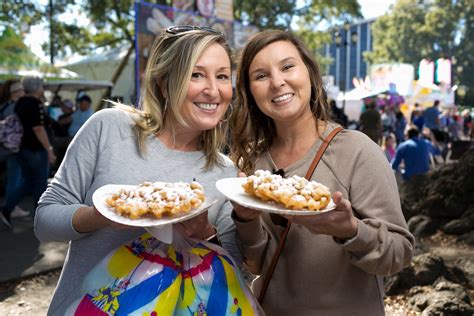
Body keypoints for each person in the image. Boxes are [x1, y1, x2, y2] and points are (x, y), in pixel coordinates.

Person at [35, 26, 240, 315]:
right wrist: (101, 216)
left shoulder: (224, 171)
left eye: (222, 76)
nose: (213, 89)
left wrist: (205, 233)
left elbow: (234, 267)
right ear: (164, 81)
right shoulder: (108, 127)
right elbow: (44, 221)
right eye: (196, 74)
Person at [229, 30, 414, 315]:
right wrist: (246, 218)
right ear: (250, 91)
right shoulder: (253, 164)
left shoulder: (357, 151)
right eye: (261, 75)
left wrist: (351, 231)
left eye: (288, 66)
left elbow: (398, 255)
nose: (278, 82)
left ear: (310, 74)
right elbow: (256, 265)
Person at [0, 77, 56, 227]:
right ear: (37, 88)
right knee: (39, 183)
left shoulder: (21, 102)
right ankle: (40, 218)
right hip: (35, 149)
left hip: (22, 148)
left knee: (29, 181)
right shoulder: (34, 103)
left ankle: (7, 208)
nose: (43, 88)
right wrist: (49, 149)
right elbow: (38, 128)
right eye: (42, 86)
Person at [0, 80, 28, 227]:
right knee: (14, 179)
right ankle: (10, 207)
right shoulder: (14, 107)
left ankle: (10, 205)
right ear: (16, 92)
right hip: (13, 149)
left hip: (5, 147)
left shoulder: (4, 105)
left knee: (12, 178)